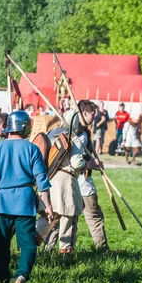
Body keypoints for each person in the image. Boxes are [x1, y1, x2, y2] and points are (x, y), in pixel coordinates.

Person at [0, 110, 53, 283]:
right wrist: (48, 206)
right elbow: (41, 179)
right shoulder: (31, 148)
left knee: (2, 245)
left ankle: (2, 279)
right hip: (24, 201)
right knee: (28, 245)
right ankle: (21, 275)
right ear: (24, 127)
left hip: (2, 201)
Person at [43, 110, 87, 253]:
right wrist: (90, 164)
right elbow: (76, 163)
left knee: (53, 217)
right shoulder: (73, 137)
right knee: (69, 216)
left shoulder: (52, 133)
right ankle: (65, 252)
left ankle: (47, 250)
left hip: (49, 178)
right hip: (66, 179)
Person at [76, 100, 109, 252]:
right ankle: (102, 249)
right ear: (84, 114)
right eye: (92, 114)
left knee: (67, 218)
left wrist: (94, 162)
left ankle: (63, 250)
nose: (95, 117)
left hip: (71, 183)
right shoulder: (80, 135)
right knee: (94, 216)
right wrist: (90, 165)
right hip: (82, 183)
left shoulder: (77, 131)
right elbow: (76, 161)